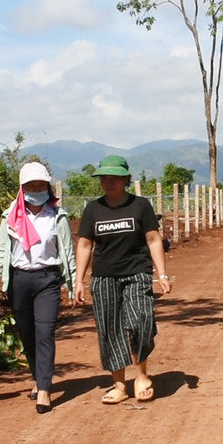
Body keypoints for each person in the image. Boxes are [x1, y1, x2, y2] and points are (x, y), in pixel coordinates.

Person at [0, 162, 76, 414]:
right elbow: (2, 253)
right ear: (22, 188)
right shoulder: (10, 217)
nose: (37, 190)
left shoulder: (57, 216)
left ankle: (44, 389)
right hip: (19, 281)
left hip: (48, 280)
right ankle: (37, 377)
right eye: (31, 186)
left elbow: (68, 253)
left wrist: (74, 285)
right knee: (28, 335)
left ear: (48, 187)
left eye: (41, 185)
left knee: (45, 332)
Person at [73, 155, 172, 405]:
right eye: (104, 178)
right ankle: (119, 385)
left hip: (137, 273)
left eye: (115, 178)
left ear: (126, 179)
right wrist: (78, 280)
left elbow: (153, 240)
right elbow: (85, 245)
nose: (109, 182)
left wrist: (161, 274)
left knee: (141, 320)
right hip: (104, 277)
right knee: (110, 329)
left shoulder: (141, 206)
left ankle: (142, 375)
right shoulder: (93, 209)